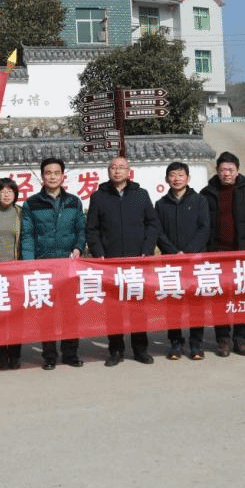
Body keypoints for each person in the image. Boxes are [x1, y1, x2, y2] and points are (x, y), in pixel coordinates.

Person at [86, 156, 160, 367]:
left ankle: (140, 349)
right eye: (113, 167)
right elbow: (92, 229)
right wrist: (99, 253)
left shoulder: (140, 195)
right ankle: (115, 350)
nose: (117, 171)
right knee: (113, 309)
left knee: (138, 308)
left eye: (121, 167)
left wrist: (147, 250)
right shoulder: (99, 196)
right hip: (111, 263)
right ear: (108, 171)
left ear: (129, 172)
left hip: (138, 261)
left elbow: (152, 224)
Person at [21, 157, 87, 370]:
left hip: (68, 264)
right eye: (48, 173)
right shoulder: (32, 203)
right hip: (44, 265)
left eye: (56, 173)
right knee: (46, 312)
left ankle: (70, 353)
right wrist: (30, 264)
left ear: (62, 176)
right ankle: (49, 355)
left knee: (70, 311)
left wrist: (78, 248)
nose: (52, 177)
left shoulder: (74, 202)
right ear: (42, 177)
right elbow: (28, 235)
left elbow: (81, 230)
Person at [200, 151, 245, 357]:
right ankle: (223, 339)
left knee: (242, 297)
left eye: (230, 170)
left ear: (237, 171)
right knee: (220, 298)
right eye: (223, 170)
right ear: (217, 171)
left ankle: (240, 338)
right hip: (217, 254)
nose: (226, 173)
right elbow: (203, 224)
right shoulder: (207, 192)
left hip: (242, 253)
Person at [155, 161, 211, 360]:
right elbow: (158, 232)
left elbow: (204, 228)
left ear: (188, 178)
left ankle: (196, 343)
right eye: (172, 175)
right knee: (173, 304)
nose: (176, 179)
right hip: (171, 262)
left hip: (195, 261)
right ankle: (175, 343)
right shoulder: (161, 204)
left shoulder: (199, 200)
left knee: (196, 303)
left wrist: (187, 252)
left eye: (180, 175)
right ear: (166, 179)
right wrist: (173, 252)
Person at [0, 178, 24, 370]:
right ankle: (1, 354)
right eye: (2, 191)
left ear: (15, 194)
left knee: (16, 316)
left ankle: (15, 354)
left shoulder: (21, 213)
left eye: (10, 191)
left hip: (16, 271)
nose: (6, 194)